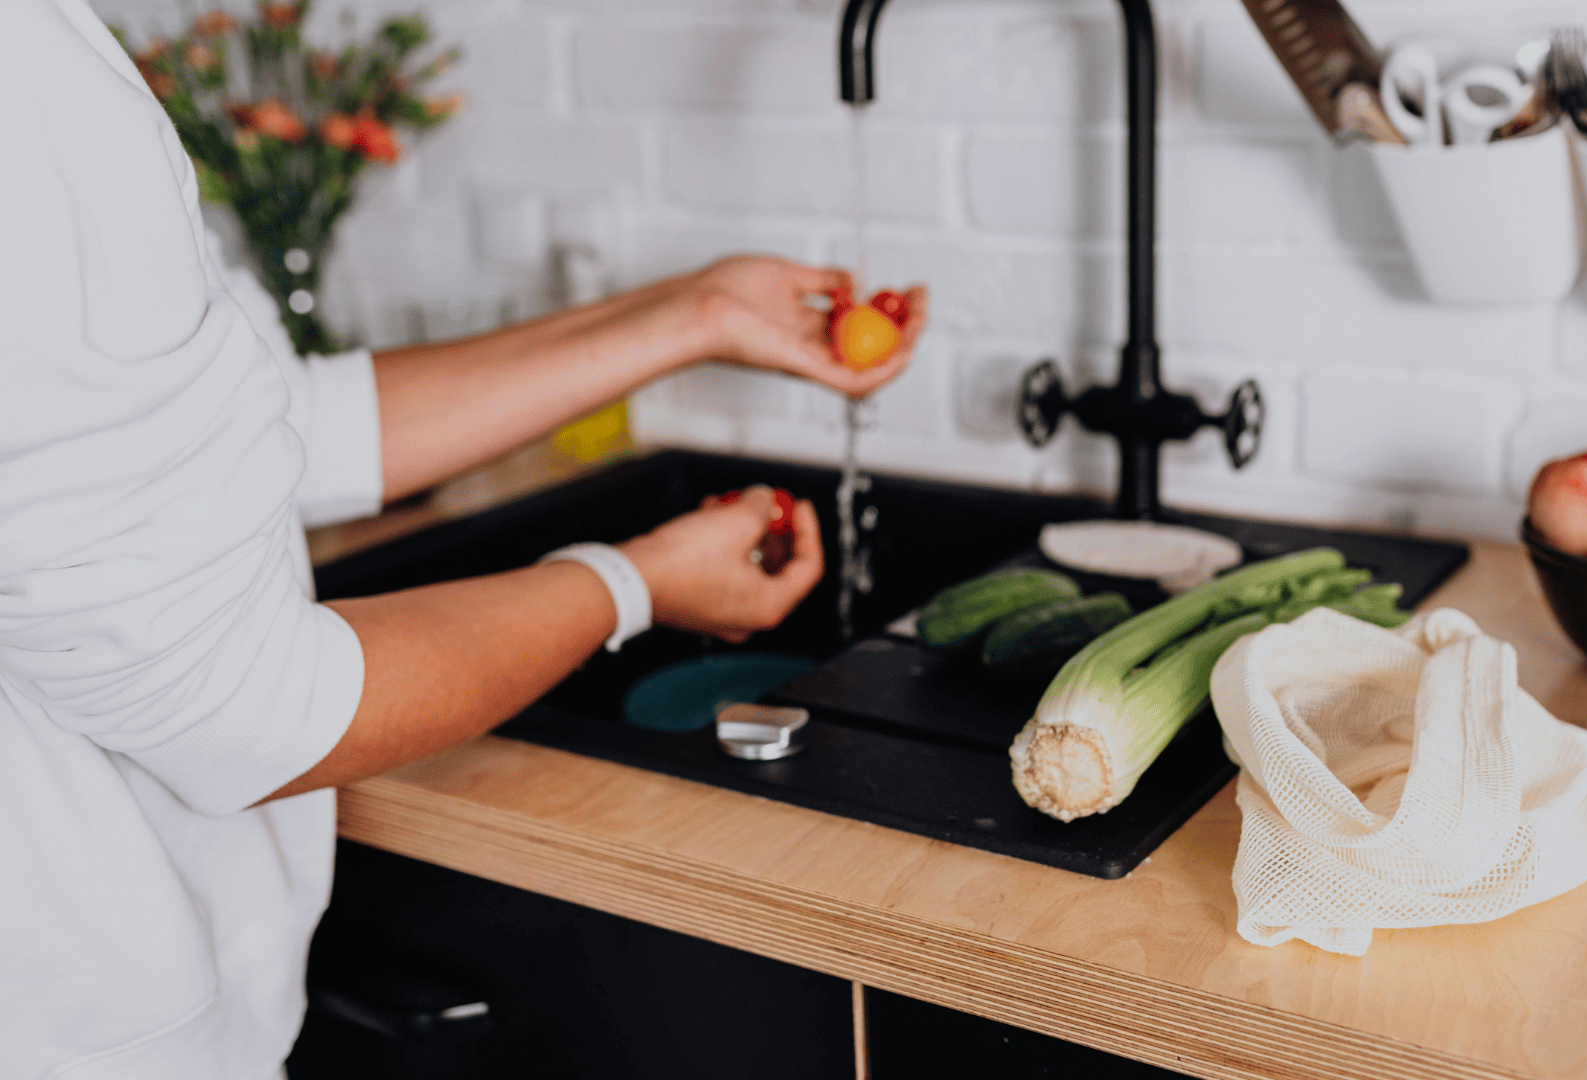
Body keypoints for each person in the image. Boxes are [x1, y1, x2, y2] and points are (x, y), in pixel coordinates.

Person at [0, 1, 926, 1076]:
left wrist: (693, 314)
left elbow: (270, 428)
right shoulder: (26, 82)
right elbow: (248, 711)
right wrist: (631, 585)